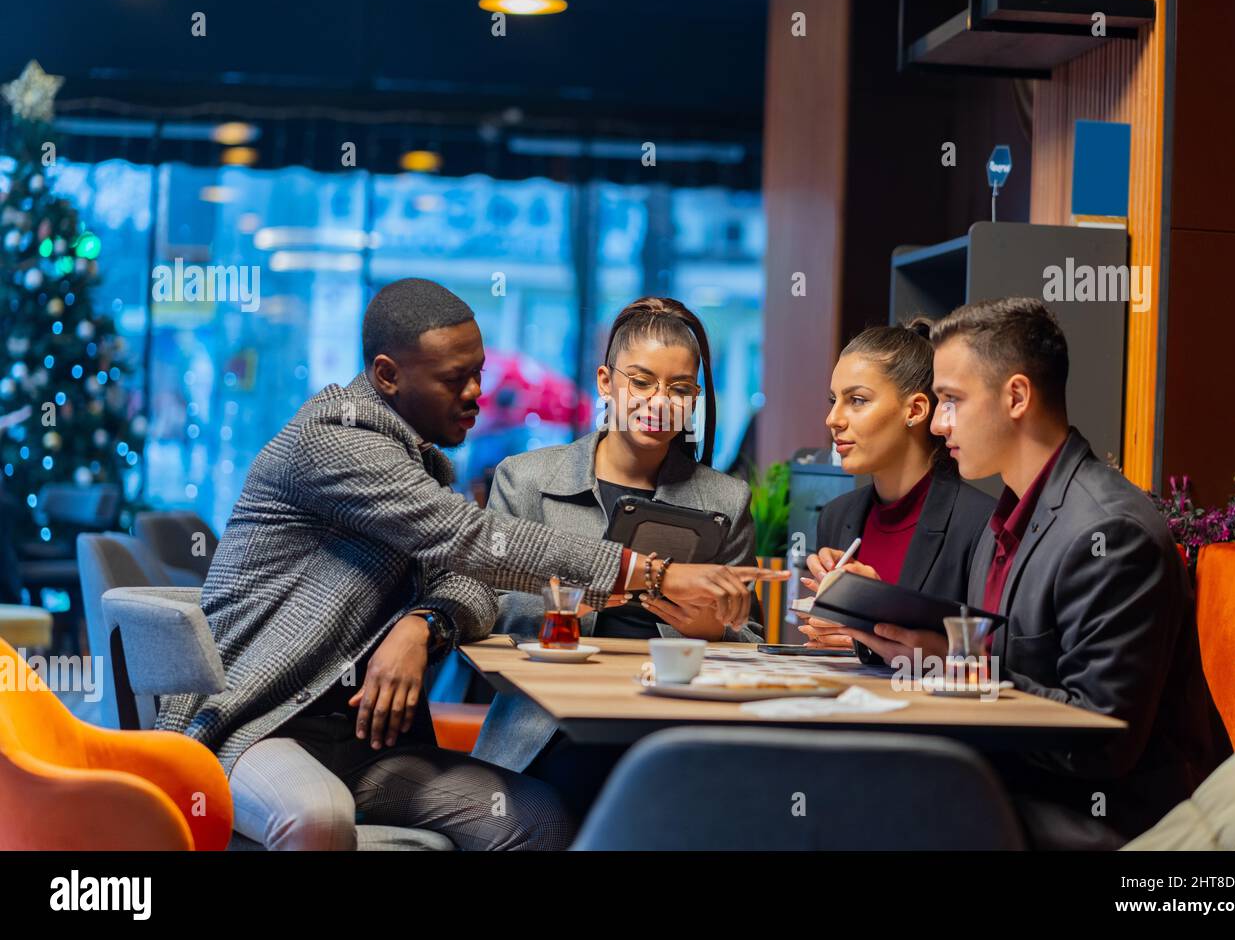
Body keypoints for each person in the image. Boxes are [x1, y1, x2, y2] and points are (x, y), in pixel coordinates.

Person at [154, 278, 784, 850]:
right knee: (317, 818)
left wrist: (422, 623)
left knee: (539, 818)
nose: (477, 393)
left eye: (478, 372)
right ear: (387, 375)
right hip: (261, 723)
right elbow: (474, 543)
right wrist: (656, 572)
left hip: (369, 743)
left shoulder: (423, 462)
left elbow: (463, 579)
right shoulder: (332, 443)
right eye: (455, 379)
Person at [810, 297, 1230, 845]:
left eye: (952, 401)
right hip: (1021, 786)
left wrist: (954, 668)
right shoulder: (1007, 518)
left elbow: (1101, 741)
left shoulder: (1109, 533)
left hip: (1111, 822)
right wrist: (892, 637)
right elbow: (998, 664)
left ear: (1015, 397)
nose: (938, 422)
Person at [471, 298, 761, 804]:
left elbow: (749, 638)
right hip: (551, 728)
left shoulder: (725, 500)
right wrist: (566, 607)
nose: (660, 402)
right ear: (606, 382)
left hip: (678, 727)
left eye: (680, 389)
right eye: (642, 382)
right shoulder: (527, 479)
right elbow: (488, 616)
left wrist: (715, 632)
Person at [796, 321, 994, 661]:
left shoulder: (981, 523)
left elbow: (988, 657)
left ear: (915, 410)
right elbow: (830, 648)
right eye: (834, 400)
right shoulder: (837, 515)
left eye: (857, 400)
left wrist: (872, 622)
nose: (833, 418)